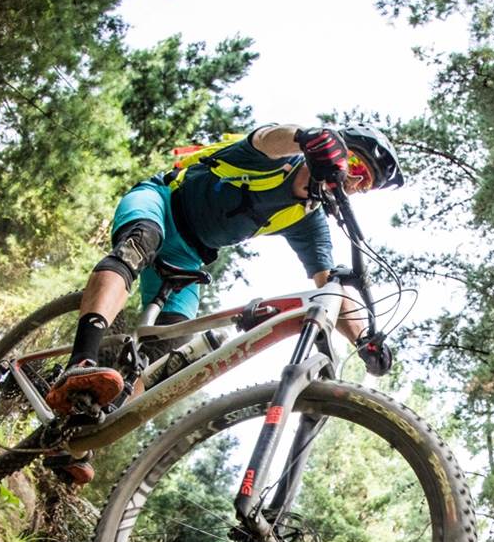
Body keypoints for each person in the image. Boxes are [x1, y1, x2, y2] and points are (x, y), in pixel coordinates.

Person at [42, 124, 403, 485]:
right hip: (160, 203)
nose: (354, 183)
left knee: (166, 353)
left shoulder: (308, 219)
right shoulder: (278, 159)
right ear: (336, 148)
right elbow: (268, 138)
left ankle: (76, 435)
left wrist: (364, 339)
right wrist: (305, 137)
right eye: (355, 167)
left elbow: (331, 289)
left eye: (365, 184)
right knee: (138, 245)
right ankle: (81, 362)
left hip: (187, 258)